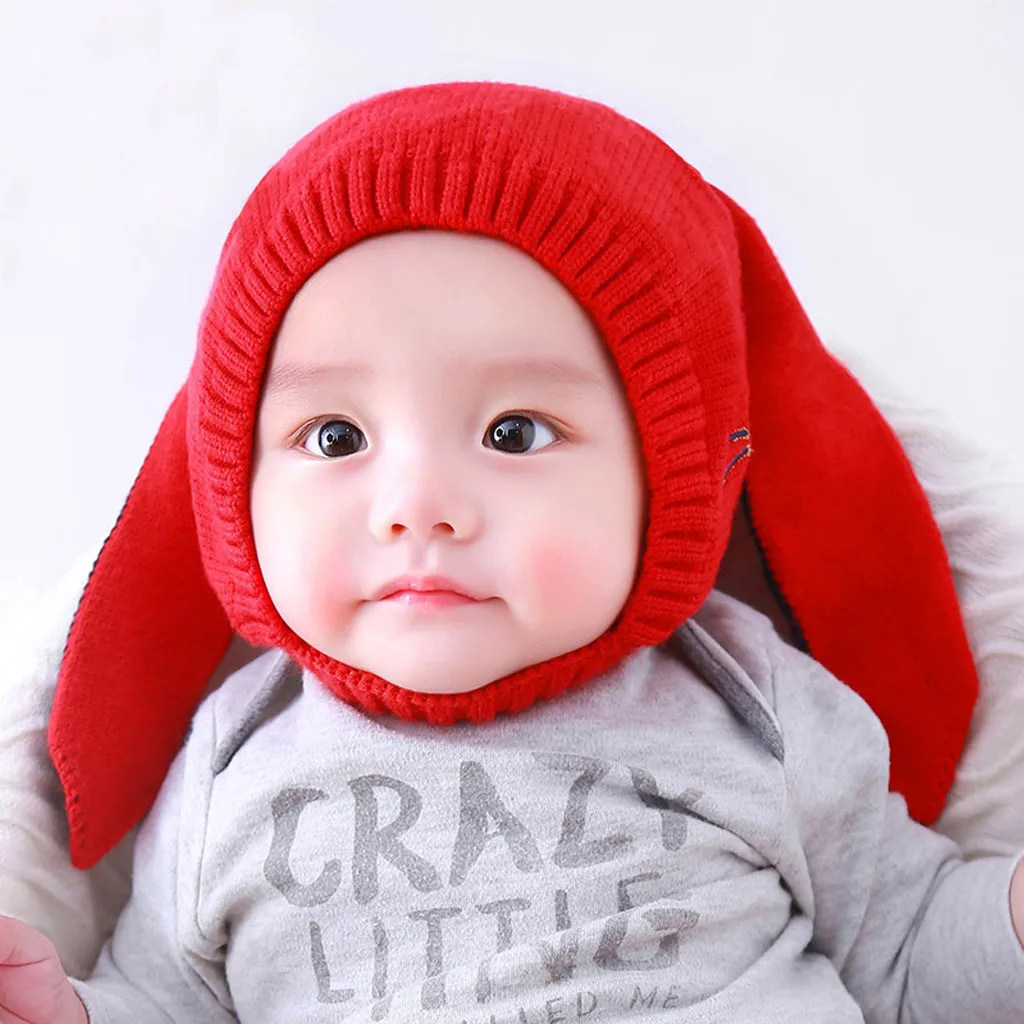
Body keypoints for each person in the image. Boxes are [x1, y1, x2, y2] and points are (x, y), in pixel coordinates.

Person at [1, 82, 1022, 1023]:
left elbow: (906, 956)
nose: (418, 508)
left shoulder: (751, 702)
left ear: (669, 479)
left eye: (515, 433)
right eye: (336, 437)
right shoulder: (232, 761)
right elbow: (170, 1001)